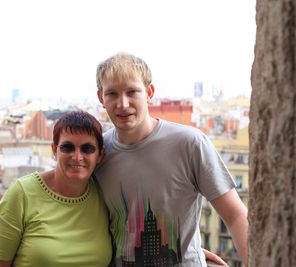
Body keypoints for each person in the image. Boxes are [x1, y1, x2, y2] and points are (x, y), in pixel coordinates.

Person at [94, 52, 248, 266]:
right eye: (112, 94)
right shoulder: (97, 153)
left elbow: (235, 215)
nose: (122, 103)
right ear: (101, 98)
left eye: (132, 92)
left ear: (149, 92)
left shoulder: (190, 143)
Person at [0, 111, 112, 267]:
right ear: (54, 150)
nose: (77, 157)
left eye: (87, 149)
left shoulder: (104, 193)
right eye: (68, 147)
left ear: (100, 154)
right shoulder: (22, 193)